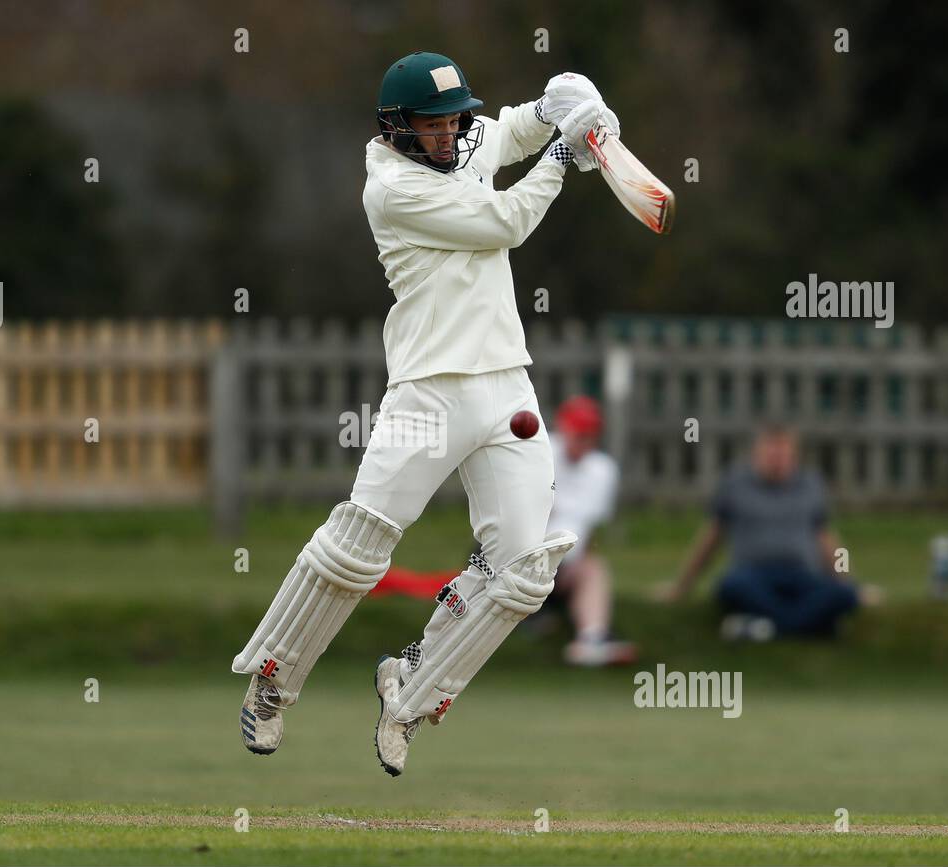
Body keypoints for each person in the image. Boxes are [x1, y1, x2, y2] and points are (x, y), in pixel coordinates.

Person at [232, 52, 612, 775]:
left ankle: (411, 686)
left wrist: (569, 101)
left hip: (505, 385)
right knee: (358, 547)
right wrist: (566, 154)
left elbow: (519, 130)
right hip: (427, 389)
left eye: (453, 122)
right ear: (398, 127)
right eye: (431, 126)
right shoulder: (394, 189)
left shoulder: (467, 140)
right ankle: (273, 683)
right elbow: (506, 220)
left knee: (524, 570)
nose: (447, 137)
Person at [659, 424, 861, 640]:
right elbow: (712, 537)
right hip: (753, 576)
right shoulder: (735, 485)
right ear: (757, 453)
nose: (777, 460)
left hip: (802, 575)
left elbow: (827, 540)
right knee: (731, 587)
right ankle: (814, 627)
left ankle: (766, 628)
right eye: (771, 453)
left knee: (845, 595)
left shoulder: (811, 485)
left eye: (783, 454)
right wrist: (683, 586)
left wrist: (849, 581)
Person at [542, 396, 637, 665]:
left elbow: (587, 524)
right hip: (520, 554)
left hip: (563, 564)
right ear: (564, 429)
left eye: (589, 436)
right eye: (578, 434)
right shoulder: (540, 451)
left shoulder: (602, 470)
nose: (583, 442)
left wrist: (575, 560)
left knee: (594, 569)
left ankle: (592, 640)